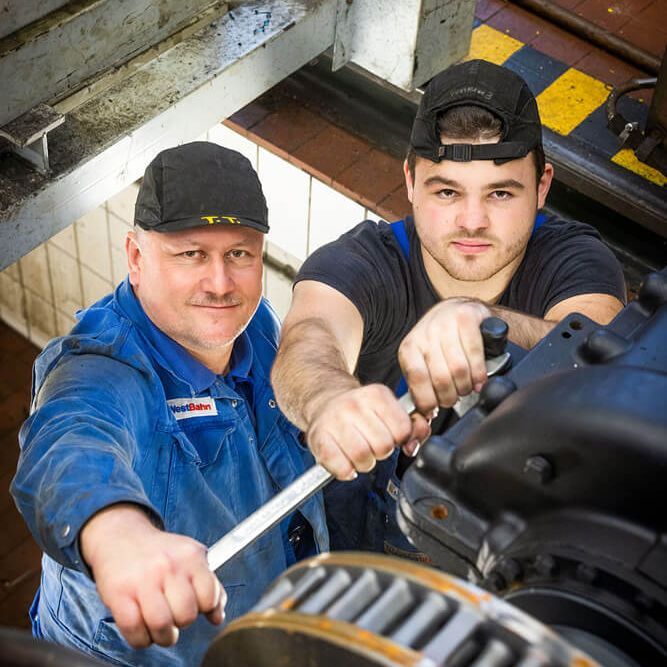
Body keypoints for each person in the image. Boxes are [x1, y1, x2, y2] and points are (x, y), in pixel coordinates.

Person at [271, 59, 626, 558]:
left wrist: (488, 324)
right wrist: (328, 401)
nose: (473, 221)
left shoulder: (575, 259)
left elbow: (603, 354)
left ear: (543, 186)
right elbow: (309, 337)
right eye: (447, 192)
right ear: (411, 182)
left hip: (502, 544)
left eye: (501, 192)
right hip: (360, 535)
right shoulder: (363, 261)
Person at [11, 142, 328, 666]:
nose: (221, 283)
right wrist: (119, 535)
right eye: (191, 254)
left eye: (239, 254)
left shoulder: (257, 326)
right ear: (136, 257)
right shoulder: (103, 369)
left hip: (264, 627)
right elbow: (69, 442)